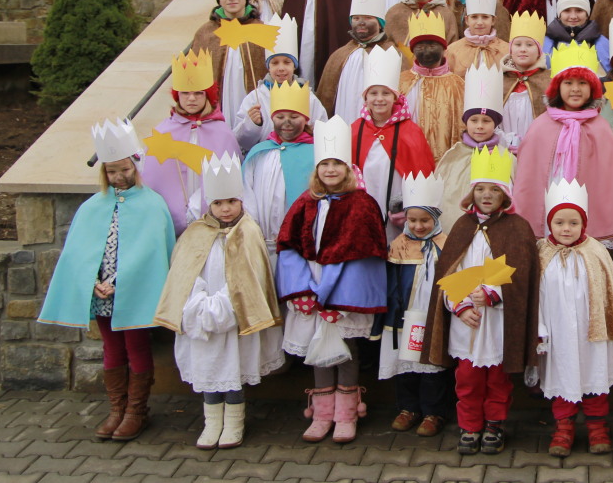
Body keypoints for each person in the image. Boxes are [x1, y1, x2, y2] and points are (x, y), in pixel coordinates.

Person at [38, 120, 175, 441]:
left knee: (136, 348)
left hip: (134, 293)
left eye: (123, 169)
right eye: (111, 172)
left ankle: (136, 411)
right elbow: (79, 253)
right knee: (112, 350)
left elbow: (155, 252)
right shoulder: (92, 207)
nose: (118, 177)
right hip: (102, 293)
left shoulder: (153, 204)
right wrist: (94, 280)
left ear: (135, 166)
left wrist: (124, 281)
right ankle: (117, 408)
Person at [153, 154, 283, 450]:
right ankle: (212, 422)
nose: (225, 209)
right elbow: (184, 273)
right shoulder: (195, 232)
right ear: (208, 205)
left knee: (233, 371)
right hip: (200, 317)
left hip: (236, 317)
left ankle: (234, 423)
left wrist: (224, 306)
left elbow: (250, 277)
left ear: (241, 201)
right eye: (218, 203)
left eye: (231, 202)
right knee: (208, 368)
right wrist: (199, 303)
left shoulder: (249, 232)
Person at [276, 116, 389, 443]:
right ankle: (323, 412)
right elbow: (288, 245)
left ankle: (346, 413)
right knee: (317, 346)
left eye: (336, 164)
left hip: (344, 288)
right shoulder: (304, 202)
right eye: (324, 164)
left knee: (345, 348)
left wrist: (336, 295)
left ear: (348, 169)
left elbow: (366, 254)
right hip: (310, 283)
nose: (330, 170)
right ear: (317, 170)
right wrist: (302, 290)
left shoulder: (363, 205)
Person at [422, 146, 539, 456]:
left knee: (498, 380)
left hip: (498, 320)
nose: (487, 195)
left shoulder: (518, 228)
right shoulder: (461, 227)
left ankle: (494, 425)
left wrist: (493, 292)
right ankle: (470, 425)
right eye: (481, 189)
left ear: (506, 195)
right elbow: (449, 271)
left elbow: (522, 274)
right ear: (471, 193)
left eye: (494, 189)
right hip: (467, 321)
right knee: (468, 379)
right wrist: (457, 304)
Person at [537, 180, 613, 457]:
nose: (566, 229)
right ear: (550, 224)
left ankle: (597, 428)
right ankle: (563, 429)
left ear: (583, 224)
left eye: (573, 223)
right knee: (562, 378)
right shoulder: (541, 254)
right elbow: (537, 297)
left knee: (595, 377)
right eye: (559, 223)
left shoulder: (596, 251)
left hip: (593, 333)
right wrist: (539, 330)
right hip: (556, 335)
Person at [511, 41, 613, 242]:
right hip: (548, 207)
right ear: (557, 88)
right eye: (568, 83)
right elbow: (529, 175)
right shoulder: (540, 126)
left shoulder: (600, 127)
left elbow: (610, 179)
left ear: (593, 87)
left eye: (582, 83)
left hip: (586, 208)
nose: (575, 89)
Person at [382, 173, 453, 439]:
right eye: (413, 220)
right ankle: (408, 408)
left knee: (432, 363)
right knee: (406, 363)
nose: (419, 226)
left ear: (435, 219)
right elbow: (391, 281)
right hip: (403, 315)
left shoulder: (445, 244)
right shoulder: (399, 244)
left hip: (431, 314)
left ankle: (434, 411)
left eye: (425, 220)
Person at [141, 50, 241, 235]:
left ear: (208, 96)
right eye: (185, 93)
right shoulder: (163, 131)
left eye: (198, 93)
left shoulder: (222, 133)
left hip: (214, 223)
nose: (192, 98)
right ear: (177, 96)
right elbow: (153, 176)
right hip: (172, 222)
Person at [350, 46, 437, 240]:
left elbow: (423, 172)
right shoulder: (356, 129)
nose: (379, 99)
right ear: (365, 99)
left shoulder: (410, 131)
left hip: (397, 208)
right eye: (373, 93)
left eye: (385, 93)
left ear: (395, 97)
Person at [315, 0, 407, 123]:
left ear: (380, 23)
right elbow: (326, 95)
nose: (361, 22)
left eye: (368, 18)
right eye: (356, 18)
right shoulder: (340, 54)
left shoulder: (393, 54)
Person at [435, 62, 513, 230]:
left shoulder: (505, 157)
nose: (479, 126)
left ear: (495, 124)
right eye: (474, 120)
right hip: (455, 226)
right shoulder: (454, 155)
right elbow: (440, 193)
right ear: (466, 122)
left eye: (486, 121)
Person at [235, 15, 328, 154]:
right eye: (275, 63)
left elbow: (322, 129)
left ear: (294, 66)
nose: (281, 68)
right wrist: (252, 124)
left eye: (287, 62)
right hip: (265, 157)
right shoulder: (256, 98)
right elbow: (241, 140)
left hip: (299, 155)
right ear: (268, 67)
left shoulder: (308, 98)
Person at [240, 82, 316, 250]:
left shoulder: (316, 153)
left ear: (305, 119)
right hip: (261, 240)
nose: (286, 122)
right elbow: (246, 191)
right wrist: (254, 227)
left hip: (298, 243)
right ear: (272, 118)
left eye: (294, 117)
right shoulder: (259, 152)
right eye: (280, 117)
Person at [191, 0, 267, 114]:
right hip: (219, 102)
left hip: (251, 103)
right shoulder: (205, 33)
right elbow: (194, 73)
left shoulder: (261, 29)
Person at [398, 11, 466, 163]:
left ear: (443, 49)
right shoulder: (401, 82)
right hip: (407, 156)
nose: (427, 50)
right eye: (420, 46)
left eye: (432, 45)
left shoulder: (458, 85)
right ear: (413, 50)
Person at [541, 0, 611, 73]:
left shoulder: (600, 41)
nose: (573, 16)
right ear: (559, 14)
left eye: (579, 10)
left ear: (587, 14)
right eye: (567, 11)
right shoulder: (547, 42)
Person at [500, 11, 550, 153]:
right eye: (518, 44)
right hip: (504, 150)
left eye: (529, 45)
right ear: (511, 48)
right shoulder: (499, 80)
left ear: (539, 51)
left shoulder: (548, 80)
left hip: (538, 150)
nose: (523, 49)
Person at [445, 0, 509, 75]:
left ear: (493, 20)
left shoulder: (506, 50)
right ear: (467, 20)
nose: (479, 22)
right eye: (474, 17)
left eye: (485, 17)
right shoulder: (452, 51)